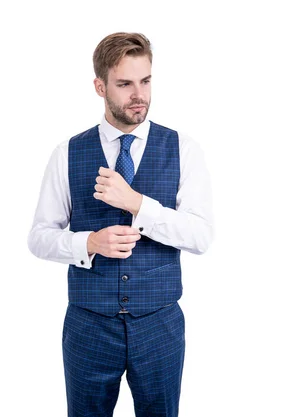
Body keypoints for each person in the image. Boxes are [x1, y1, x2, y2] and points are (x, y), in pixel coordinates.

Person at [27, 32, 214, 417]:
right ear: (100, 86)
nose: (138, 94)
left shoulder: (184, 149)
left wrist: (138, 205)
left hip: (159, 325)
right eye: (125, 84)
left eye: (145, 81)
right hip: (88, 326)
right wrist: (89, 243)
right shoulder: (67, 153)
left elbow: (200, 236)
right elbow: (39, 237)